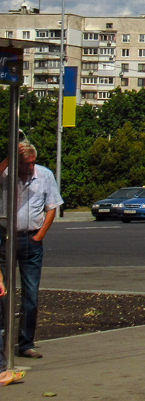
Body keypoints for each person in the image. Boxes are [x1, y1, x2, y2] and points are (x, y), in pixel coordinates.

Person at [0, 139, 63, 361]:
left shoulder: (44, 175)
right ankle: (3, 343)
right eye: (25, 163)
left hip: (30, 239)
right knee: (3, 292)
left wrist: (39, 236)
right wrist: (10, 157)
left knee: (31, 294)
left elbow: (52, 207)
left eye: (32, 162)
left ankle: (25, 342)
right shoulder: (7, 174)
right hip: (6, 237)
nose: (29, 167)